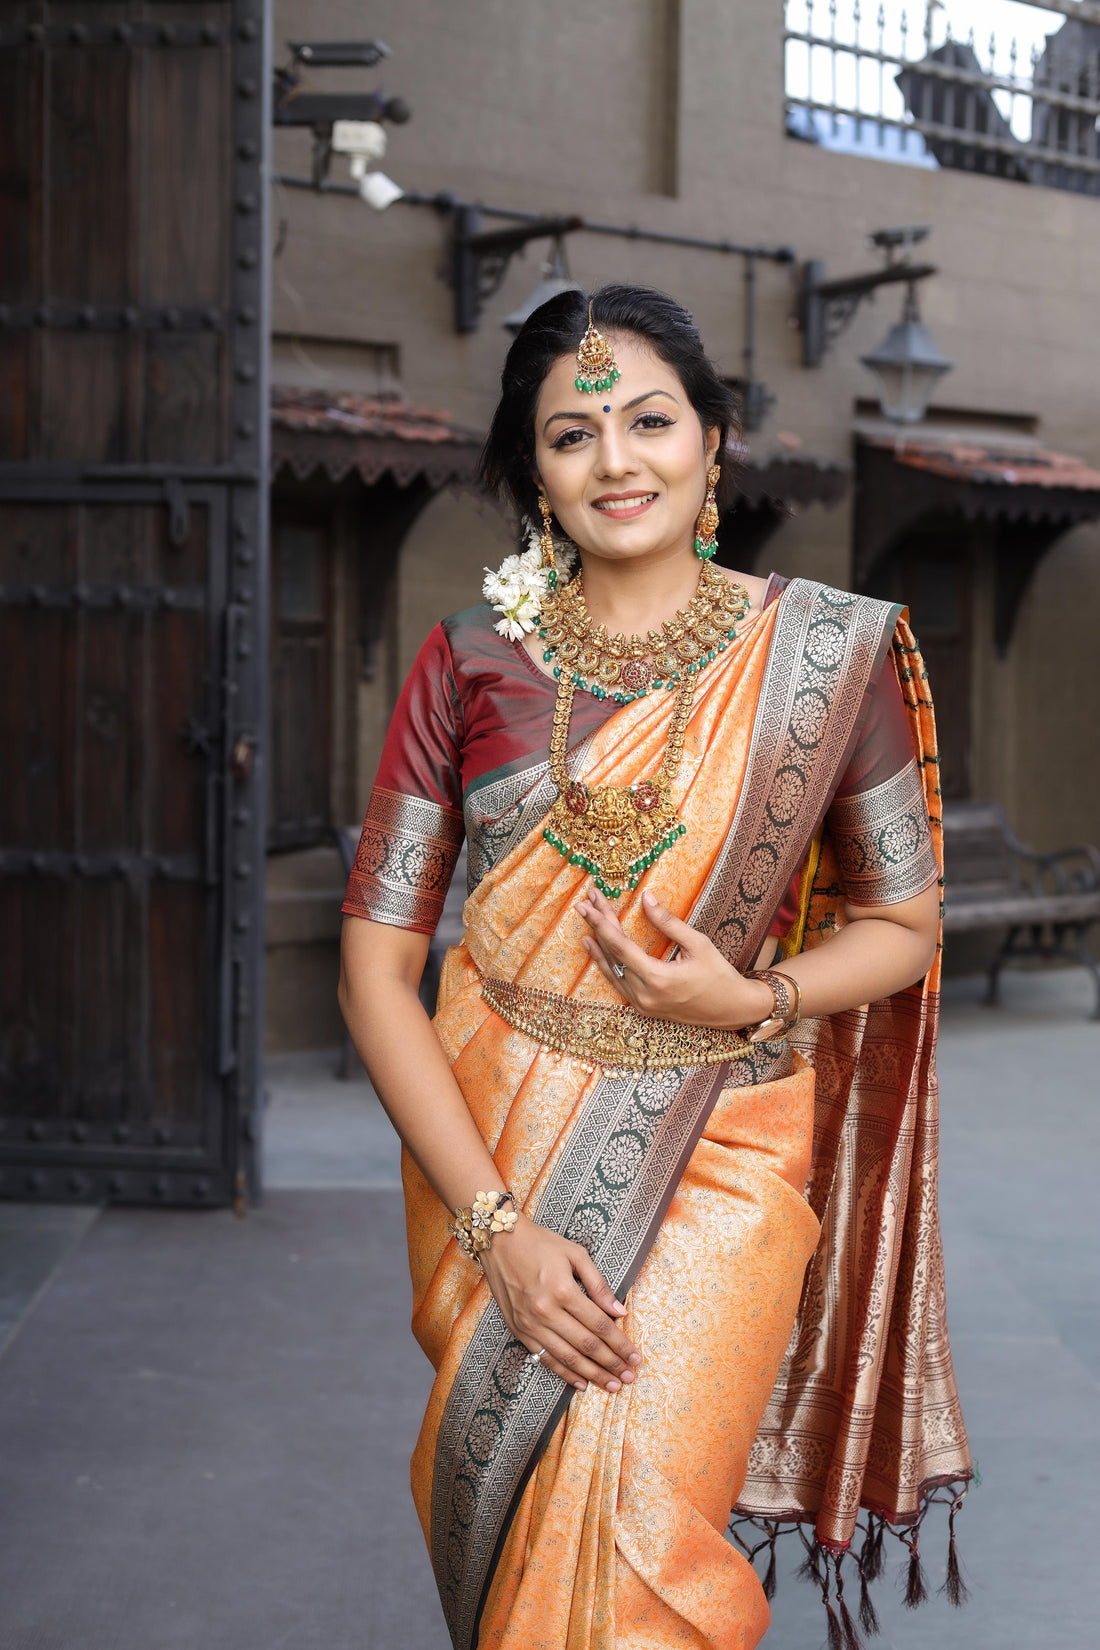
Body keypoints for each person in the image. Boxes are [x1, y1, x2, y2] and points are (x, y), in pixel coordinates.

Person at [338, 286, 971, 1650]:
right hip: (493, 1142)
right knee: (521, 1555)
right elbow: (375, 973)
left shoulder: (824, 660)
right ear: (532, 473)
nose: (616, 460)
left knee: (641, 1550)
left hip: (727, 1143)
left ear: (713, 444)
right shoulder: (466, 664)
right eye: (572, 433)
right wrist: (499, 1228)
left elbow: (906, 926)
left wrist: (757, 997)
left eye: (648, 420)